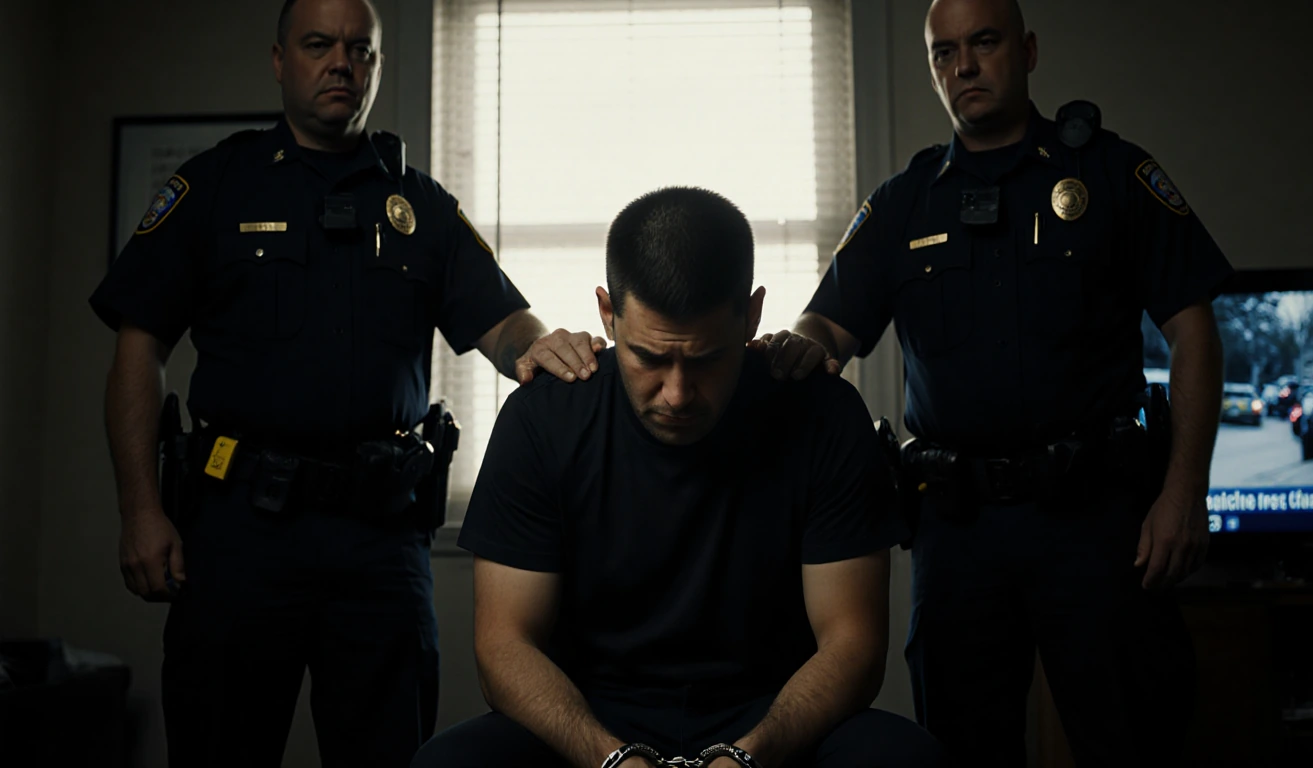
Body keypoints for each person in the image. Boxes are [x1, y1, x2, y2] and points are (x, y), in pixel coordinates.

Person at [89, 0, 605, 765]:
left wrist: (547, 348)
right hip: (238, 531)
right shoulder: (217, 187)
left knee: (390, 754)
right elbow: (139, 351)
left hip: (379, 540)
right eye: (319, 45)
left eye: (360, 50)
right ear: (279, 60)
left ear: (377, 64)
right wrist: (139, 509)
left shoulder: (420, 207)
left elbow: (504, 327)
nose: (341, 63)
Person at [762, 0, 1234, 765]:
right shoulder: (902, 203)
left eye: (983, 43)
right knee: (962, 747)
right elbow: (827, 333)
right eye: (943, 53)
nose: (964, 67)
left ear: (1029, 49)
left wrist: (1185, 492)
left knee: (1131, 738)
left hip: (1099, 520)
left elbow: (1194, 333)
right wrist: (794, 345)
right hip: (957, 532)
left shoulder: (1112, 174)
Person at [409, 187, 951, 768]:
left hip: (773, 714)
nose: (676, 393)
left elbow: (854, 645)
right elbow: (504, 646)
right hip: (591, 717)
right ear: (607, 314)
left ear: (752, 315)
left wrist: (746, 756)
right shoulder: (542, 419)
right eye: (648, 357)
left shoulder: (824, 413)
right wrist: (611, 758)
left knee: (904, 758)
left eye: (706, 359)